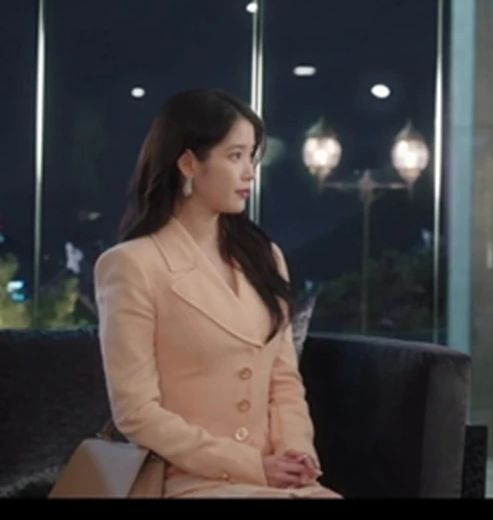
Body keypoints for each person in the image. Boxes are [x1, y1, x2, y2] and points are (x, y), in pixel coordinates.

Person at [94, 88, 341, 498]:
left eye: (251, 157)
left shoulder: (264, 257)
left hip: (273, 478)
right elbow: (136, 413)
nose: (249, 173)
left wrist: (295, 454)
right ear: (189, 163)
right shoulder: (132, 265)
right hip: (187, 481)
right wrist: (251, 466)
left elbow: (283, 381)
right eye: (235, 156)